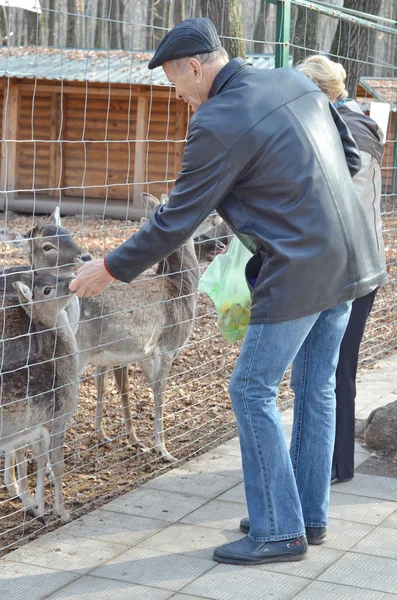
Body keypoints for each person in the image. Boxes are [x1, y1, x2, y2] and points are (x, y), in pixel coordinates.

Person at [70, 18, 387, 565]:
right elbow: (352, 157)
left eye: (175, 83)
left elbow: (176, 221)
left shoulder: (217, 119)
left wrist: (110, 268)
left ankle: (278, 531)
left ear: (193, 67)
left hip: (301, 271)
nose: (180, 97)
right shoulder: (295, 82)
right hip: (355, 258)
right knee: (316, 389)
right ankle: (305, 515)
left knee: (251, 389)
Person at [296, 55, 386, 484]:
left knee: (334, 367)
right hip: (355, 263)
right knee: (329, 366)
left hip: (350, 266)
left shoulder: (348, 131)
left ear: (318, 93)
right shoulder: (353, 123)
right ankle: (328, 460)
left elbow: (342, 203)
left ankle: (335, 463)